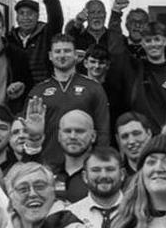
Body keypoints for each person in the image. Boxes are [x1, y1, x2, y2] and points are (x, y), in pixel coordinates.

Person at [28, 35, 110, 168]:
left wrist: (99, 163)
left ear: (76, 55)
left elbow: (103, 130)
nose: (62, 55)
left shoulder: (93, 88)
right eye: (57, 51)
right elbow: (30, 132)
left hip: (84, 165)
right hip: (48, 164)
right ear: (50, 55)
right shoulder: (38, 91)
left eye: (67, 51)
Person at [6, 0, 65, 85]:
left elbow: (56, 18)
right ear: (17, 17)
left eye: (30, 13)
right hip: (17, 91)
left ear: (37, 16)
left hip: (43, 88)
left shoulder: (46, 33)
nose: (26, 17)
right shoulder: (9, 38)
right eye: (22, 13)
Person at [128, 22, 166, 130]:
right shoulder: (136, 70)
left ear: (164, 41)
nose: (153, 44)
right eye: (148, 40)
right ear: (142, 43)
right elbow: (116, 51)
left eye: (157, 39)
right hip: (145, 134)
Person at [52, 110, 95, 202]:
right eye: (67, 131)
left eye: (79, 131)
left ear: (93, 136)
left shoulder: (100, 174)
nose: (73, 136)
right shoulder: (49, 173)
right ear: (59, 136)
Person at [115, 112, 154, 183]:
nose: (131, 141)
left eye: (136, 134)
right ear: (118, 140)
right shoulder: (116, 178)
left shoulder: (162, 170)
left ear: (149, 134)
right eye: (125, 136)